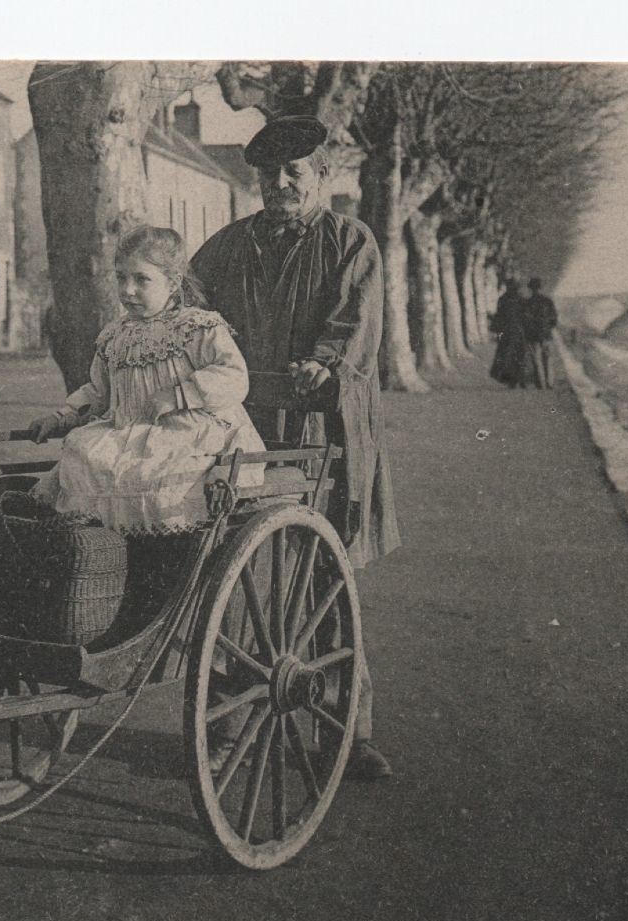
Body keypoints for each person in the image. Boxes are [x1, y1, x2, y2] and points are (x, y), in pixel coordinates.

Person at [191, 115, 402, 781]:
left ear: (319, 178)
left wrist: (323, 362)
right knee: (238, 579)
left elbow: (355, 325)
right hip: (244, 430)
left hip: (322, 431)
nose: (279, 184)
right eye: (268, 175)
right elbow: (191, 305)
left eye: (294, 174)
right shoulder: (227, 248)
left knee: (323, 577)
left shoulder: (349, 242)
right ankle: (229, 721)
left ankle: (347, 730)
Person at [26, 226, 265, 534]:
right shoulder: (117, 335)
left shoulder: (195, 328)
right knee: (82, 450)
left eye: (141, 279)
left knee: (157, 470)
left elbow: (233, 376)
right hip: (127, 432)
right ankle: (104, 547)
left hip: (186, 431)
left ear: (173, 282)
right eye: (121, 277)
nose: (128, 290)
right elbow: (99, 391)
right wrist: (63, 417)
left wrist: (179, 395)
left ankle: (163, 544)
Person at [521, 277, 559, 390]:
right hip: (546, 334)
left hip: (532, 336)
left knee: (536, 360)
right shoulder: (548, 301)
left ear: (530, 289)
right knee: (548, 359)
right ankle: (550, 383)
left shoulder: (527, 303)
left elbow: (523, 320)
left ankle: (541, 384)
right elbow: (554, 318)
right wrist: (548, 327)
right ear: (541, 288)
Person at [489, 278, 526, 388]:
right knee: (519, 355)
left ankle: (510, 379)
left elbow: (499, 315)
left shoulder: (503, 299)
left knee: (506, 355)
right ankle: (519, 379)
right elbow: (525, 316)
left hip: (505, 331)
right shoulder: (521, 299)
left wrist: (495, 329)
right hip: (518, 331)